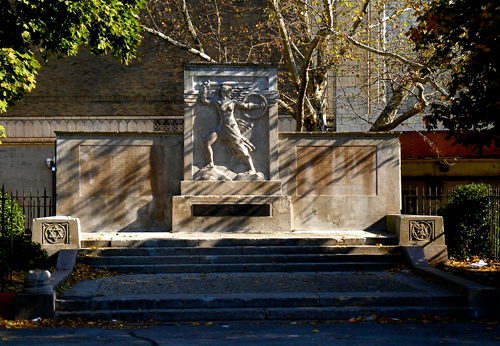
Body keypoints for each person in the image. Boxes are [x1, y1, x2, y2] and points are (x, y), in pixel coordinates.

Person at [200, 82, 265, 173]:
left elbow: (246, 106)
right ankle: (211, 163)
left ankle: (252, 169)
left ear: (229, 92)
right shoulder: (218, 102)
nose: (223, 91)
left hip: (232, 128)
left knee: (241, 148)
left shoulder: (232, 102)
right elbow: (205, 100)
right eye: (222, 90)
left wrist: (259, 106)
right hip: (221, 128)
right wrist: (204, 88)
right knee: (206, 142)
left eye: (225, 90)